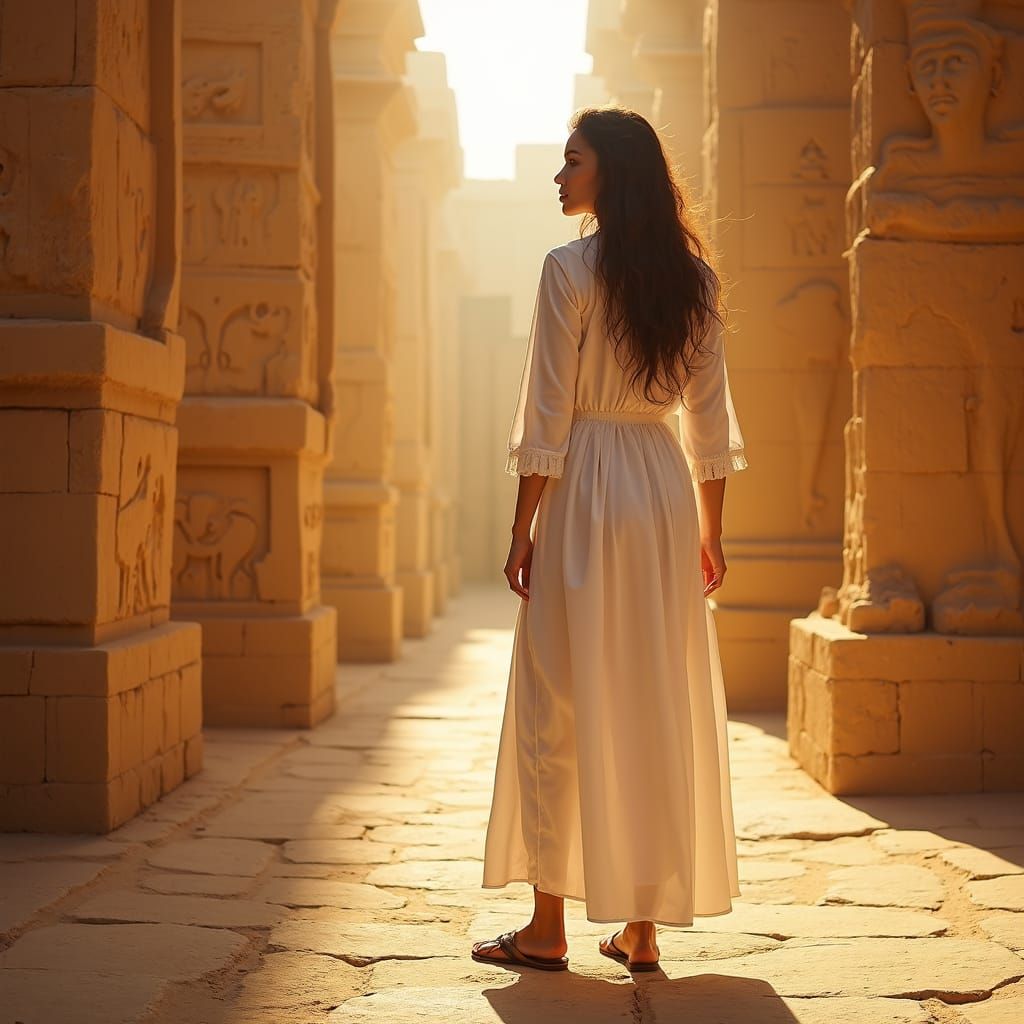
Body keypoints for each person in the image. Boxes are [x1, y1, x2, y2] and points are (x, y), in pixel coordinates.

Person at [471, 107, 748, 974]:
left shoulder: (569, 269)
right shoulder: (695, 281)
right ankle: (642, 927)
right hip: (662, 491)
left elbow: (548, 411)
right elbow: (709, 421)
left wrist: (521, 528)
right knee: (652, 697)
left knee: (557, 697)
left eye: (573, 161)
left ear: (610, 173)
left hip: (586, 488)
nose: (560, 177)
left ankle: (547, 927)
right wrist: (711, 530)